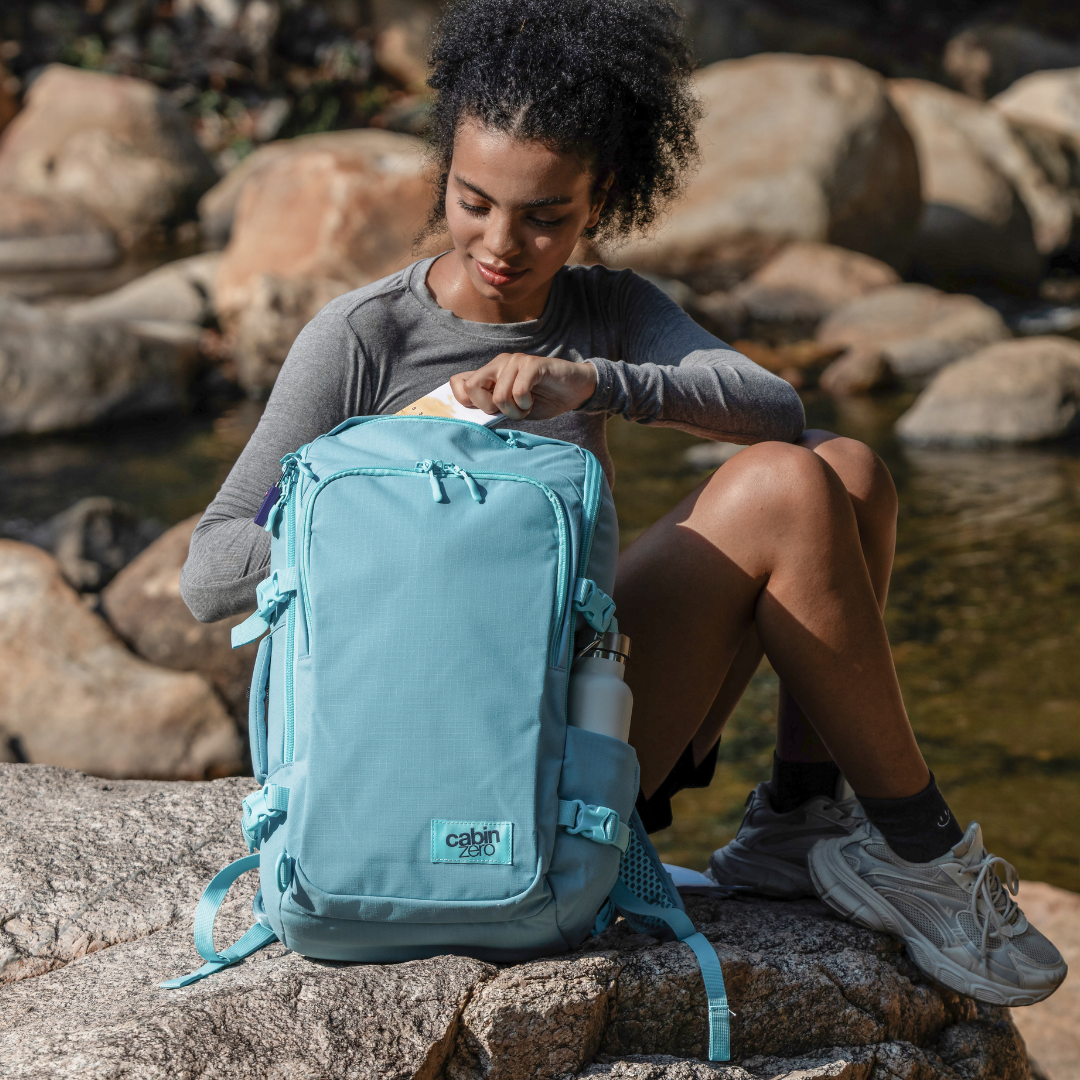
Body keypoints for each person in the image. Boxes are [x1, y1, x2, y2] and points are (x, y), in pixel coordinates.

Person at [182, 0, 1065, 1007]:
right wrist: (403, 512)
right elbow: (210, 571)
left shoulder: (607, 310)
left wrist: (596, 383)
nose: (502, 243)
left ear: (601, 198)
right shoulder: (364, 339)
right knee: (787, 487)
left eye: (546, 215)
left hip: (590, 715)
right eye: (474, 202)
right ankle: (919, 845)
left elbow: (774, 407)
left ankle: (799, 818)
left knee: (847, 468)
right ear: (444, 173)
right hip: (458, 755)